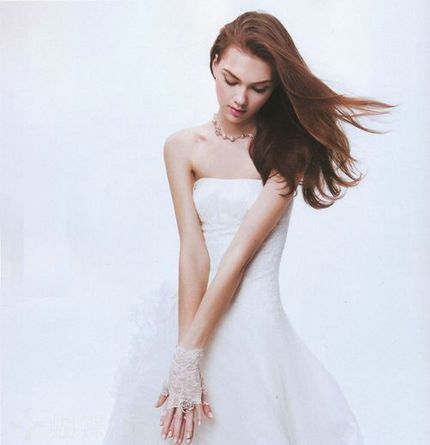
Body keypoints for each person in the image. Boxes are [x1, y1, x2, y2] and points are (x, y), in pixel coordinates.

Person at [101, 10, 395, 445]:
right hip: (191, 315)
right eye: (231, 80)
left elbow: (239, 256)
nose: (240, 98)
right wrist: (183, 353)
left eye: (259, 88)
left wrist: (191, 353)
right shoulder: (181, 147)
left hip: (253, 324)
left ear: (274, 89)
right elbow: (192, 250)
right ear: (214, 62)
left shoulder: (286, 152)